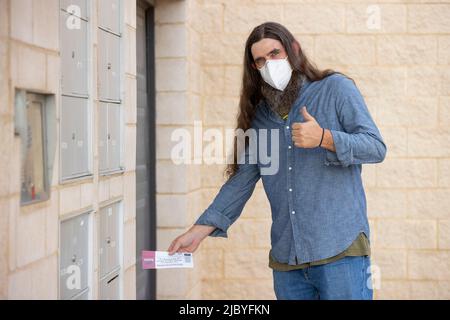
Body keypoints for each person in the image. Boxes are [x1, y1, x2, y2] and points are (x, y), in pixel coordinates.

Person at [168, 22, 387, 300]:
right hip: (288, 263)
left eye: (274, 54)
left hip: (340, 252)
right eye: (260, 60)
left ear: (293, 50)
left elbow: (375, 147)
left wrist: (325, 138)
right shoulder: (260, 117)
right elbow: (241, 180)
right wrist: (198, 231)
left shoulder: (335, 89)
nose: (268, 64)